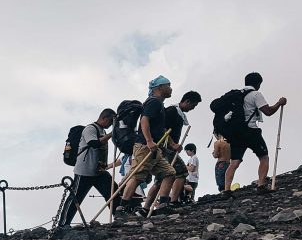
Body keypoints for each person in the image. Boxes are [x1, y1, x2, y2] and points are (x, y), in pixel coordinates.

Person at [116, 75, 177, 215]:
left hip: (154, 148)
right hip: (145, 146)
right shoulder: (154, 102)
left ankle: (162, 205)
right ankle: (122, 208)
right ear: (160, 87)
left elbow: (160, 129)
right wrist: (149, 141)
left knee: (169, 173)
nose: (171, 88)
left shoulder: (159, 104)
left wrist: (172, 144)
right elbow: (144, 121)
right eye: (168, 85)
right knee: (138, 176)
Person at [223, 72, 287, 196]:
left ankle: (226, 190)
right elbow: (268, 111)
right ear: (258, 83)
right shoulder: (255, 94)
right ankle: (261, 185)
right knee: (263, 157)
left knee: (234, 161)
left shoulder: (237, 95)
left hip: (236, 132)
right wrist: (279, 103)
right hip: (251, 130)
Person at [142, 90, 201, 211]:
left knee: (160, 180)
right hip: (166, 149)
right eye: (193, 105)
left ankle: (147, 207)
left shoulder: (175, 112)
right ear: (187, 101)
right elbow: (162, 129)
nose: (193, 108)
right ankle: (173, 201)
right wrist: (173, 144)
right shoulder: (172, 111)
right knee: (181, 172)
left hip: (165, 149)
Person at [59, 108, 117, 226]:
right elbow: (93, 144)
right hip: (84, 171)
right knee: (75, 198)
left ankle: (119, 215)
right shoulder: (90, 129)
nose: (110, 124)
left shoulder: (102, 131)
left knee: (112, 191)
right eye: (110, 122)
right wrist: (112, 134)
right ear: (104, 118)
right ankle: (63, 224)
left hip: (99, 171)